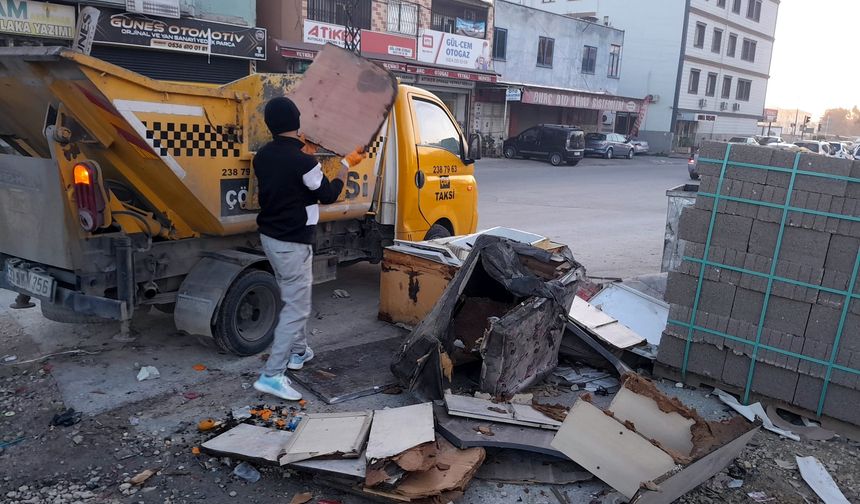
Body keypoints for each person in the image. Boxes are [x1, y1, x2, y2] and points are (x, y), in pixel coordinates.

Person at [252, 96, 365, 401]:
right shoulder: (305, 163)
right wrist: (345, 166)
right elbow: (327, 195)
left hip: (271, 238)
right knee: (297, 307)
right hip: (293, 242)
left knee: (293, 297)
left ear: (270, 124)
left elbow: (287, 183)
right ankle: (272, 375)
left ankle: (298, 352)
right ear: (297, 122)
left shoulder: (262, 156)